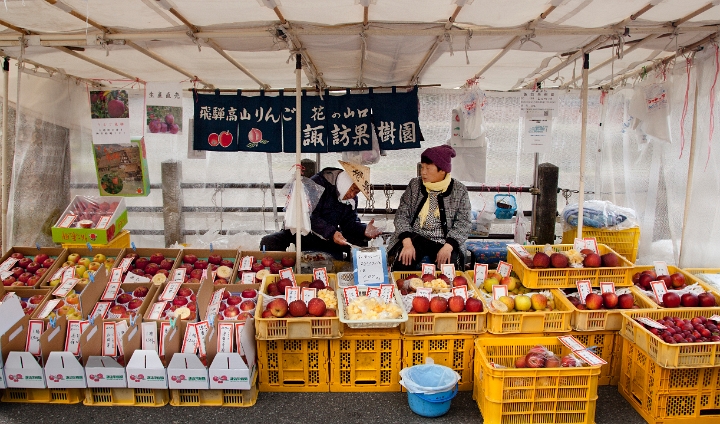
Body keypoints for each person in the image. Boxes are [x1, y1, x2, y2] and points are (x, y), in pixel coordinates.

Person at [260, 160, 382, 259]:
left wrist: (364, 229)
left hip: (327, 237)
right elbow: (309, 217)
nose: (353, 195)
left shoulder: (350, 200)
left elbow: (349, 223)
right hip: (303, 234)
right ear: (346, 181)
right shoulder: (316, 184)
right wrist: (331, 233)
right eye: (353, 189)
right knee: (269, 241)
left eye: (357, 192)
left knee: (361, 242)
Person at [387, 145, 471, 270]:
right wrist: (407, 242)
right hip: (415, 236)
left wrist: (448, 246)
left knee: (449, 269)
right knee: (401, 262)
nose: (423, 172)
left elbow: (464, 222)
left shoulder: (459, 190)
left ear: (442, 170)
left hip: (444, 240)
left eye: (428, 168)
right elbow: (402, 215)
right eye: (422, 167)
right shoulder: (415, 185)